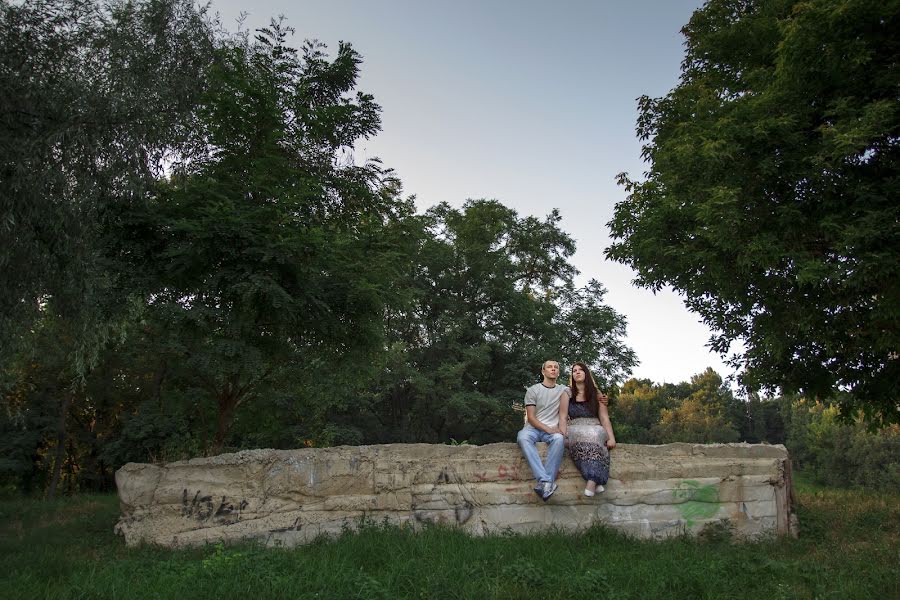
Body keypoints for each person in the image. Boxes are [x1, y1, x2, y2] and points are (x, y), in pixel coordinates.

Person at [517, 360, 570, 501]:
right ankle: (546, 481)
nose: (553, 369)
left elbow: (585, 391)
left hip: (552, 431)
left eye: (556, 367)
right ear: (543, 371)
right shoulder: (532, 390)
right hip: (533, 428)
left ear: (558, 372)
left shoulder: (564, 390)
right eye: (549, 367)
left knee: (559, 439)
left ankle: (545, 484)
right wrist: (549, 429)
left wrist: (602, 398)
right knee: (522, 437)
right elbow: (531, 418)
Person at [566, 362, 616, 497]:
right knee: (584, 435)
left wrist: (611, 438)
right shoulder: (567, 393)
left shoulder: (596, 393)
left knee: (596, 433)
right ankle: (595, 480)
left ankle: (592, 480)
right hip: (575, 427)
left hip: (594, 426)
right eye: (574, 370)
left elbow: (604, 418)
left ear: (586, 373)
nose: (577, 372)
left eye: (580, 370)